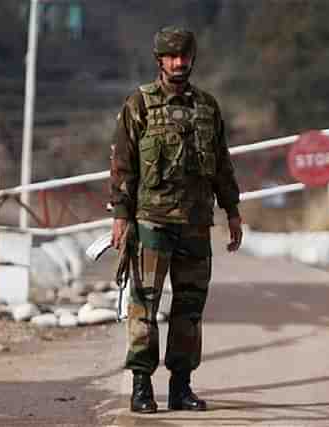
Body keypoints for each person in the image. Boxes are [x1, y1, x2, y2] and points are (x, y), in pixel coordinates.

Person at [109, 26, 243, 414]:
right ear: (159, 61)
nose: (178, 63)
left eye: (183, 56)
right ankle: (141, 386)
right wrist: (121, 216)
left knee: (190, 309)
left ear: (192, 59)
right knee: (144, 307)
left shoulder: (207, 107)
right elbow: (122, 165)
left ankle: (181, 386)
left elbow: (222, 164)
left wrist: (232, 210)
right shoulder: (140, 105)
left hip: (196, 224)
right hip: (151, 223)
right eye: (170, 57)